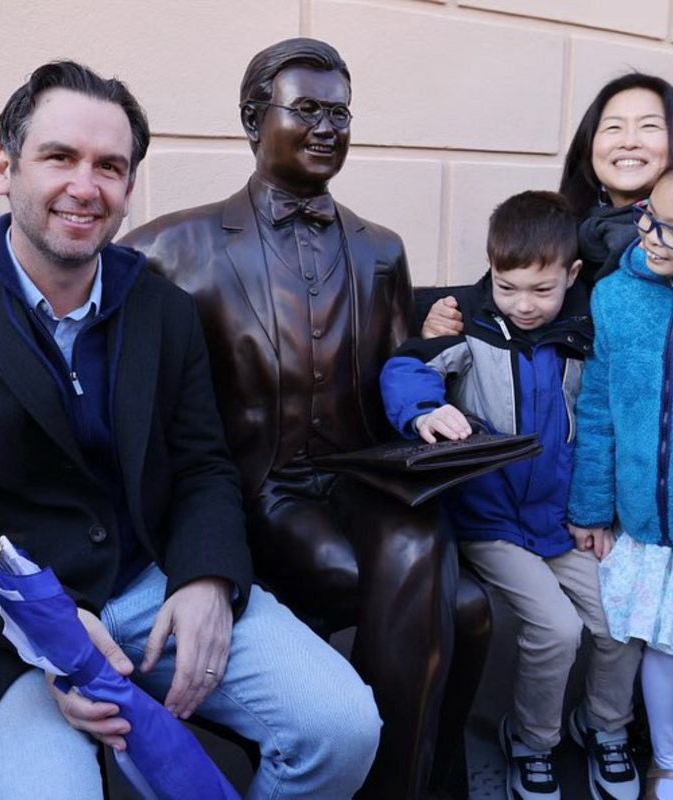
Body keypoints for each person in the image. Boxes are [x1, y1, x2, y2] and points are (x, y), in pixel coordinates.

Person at [0, 60, 383, 800]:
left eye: (110, 166)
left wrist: (207, 577)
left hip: (151, 587)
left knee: (341, 729)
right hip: (5, 631)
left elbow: (205, 466)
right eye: (60, 157)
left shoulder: (161, 308)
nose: (87, 186)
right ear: (2, 166)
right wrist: (45, 636)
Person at [121, 37, 491, 800]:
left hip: (364, 478)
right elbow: (65, 299)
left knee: (470, 605)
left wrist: (427, 418)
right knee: (442, 595)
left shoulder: (381, 250)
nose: (328, 127)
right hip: (260, 493)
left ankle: (412, 779)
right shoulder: (170, 247)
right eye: (308, 110)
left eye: (341, 113)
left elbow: (399, 373)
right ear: (254, 119)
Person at [381, 190, 643, 800]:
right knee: (556, 628)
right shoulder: (470, 324)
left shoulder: (582, 335)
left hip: (559, 523)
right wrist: (423, 412)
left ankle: (605, 726)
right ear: (493, 272)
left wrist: (593, 513)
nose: (523, 305)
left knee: (618, 621)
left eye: (542, 290)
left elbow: (598, 422)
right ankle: (532, 740)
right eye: (508, 287)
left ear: (571, 275)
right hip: (491, 524)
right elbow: (406, 368)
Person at [423, 71, 673, 339]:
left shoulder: (661, 249)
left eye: (649, 126)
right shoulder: (562, 227)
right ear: (589, 145)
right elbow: (495, 304)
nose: (629, 141)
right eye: (613, 127)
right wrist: (443, 323)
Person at [568, 168, 673, 800]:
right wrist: (592, 507)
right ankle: (667, 760)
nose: (653, 237)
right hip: (648, 519)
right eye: (649, 217)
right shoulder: (618, 296)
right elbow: (600, 409)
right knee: (661, 641)